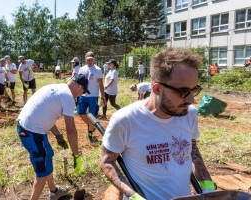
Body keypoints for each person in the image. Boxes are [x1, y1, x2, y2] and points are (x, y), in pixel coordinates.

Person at [100, 48, 215, 200]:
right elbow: (107, 161)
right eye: (183, 92)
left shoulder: (189, 113)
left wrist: (207, 186)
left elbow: (192, 150)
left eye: (194, 90)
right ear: (157, 89)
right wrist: (134, 196)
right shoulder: (125, 120)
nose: (191, 100)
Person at [16, 74, 89, 200]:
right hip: (32, 133)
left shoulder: (57, 88)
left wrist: (58, 136)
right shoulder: (68, 97)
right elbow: (71, 130)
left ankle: (54, 192)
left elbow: (45, 114)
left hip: (30, 128)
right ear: (78, 86)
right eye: (83, 91)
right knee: (42, 173)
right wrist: (76, 155)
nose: (81, 94)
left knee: (47, 155)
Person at [78, 51, 106, 142]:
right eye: (88, 60)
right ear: (85, 59)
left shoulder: (97, 70)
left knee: (92, 116)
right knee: (81, 113)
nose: (90, 61)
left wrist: (103, 96)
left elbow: (101, 84)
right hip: (83, 95)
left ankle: (90, 135)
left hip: (93, 96)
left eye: (91, 60)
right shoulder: (82, 69)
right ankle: (92, 126)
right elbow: (78, 82)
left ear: (94, 59)